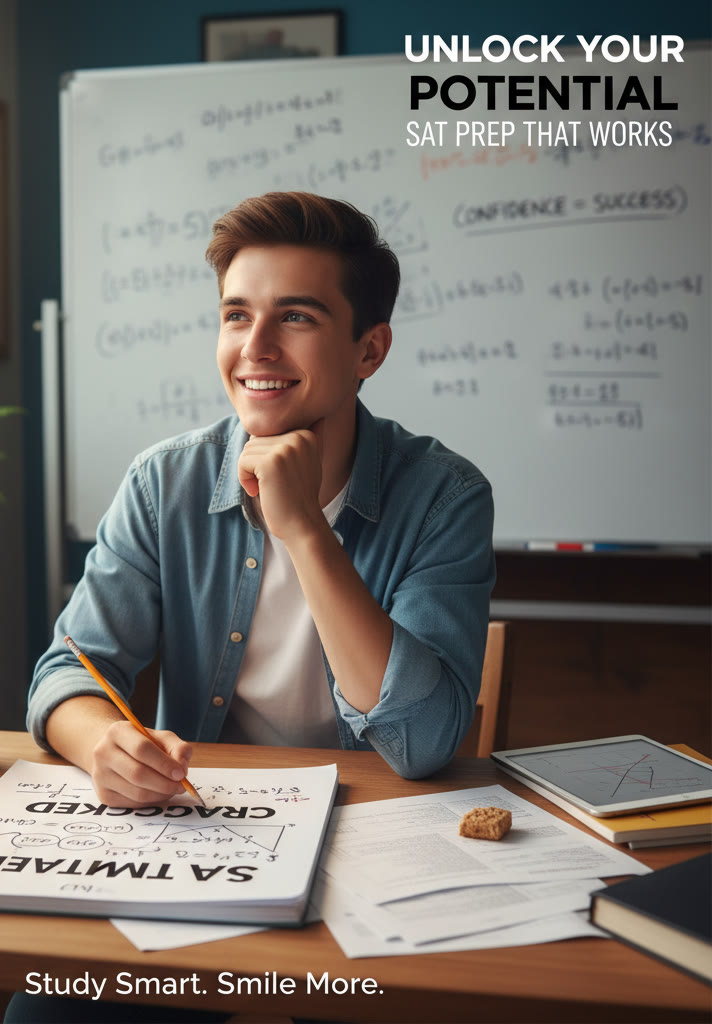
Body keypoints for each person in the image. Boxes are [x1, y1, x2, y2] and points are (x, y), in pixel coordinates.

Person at [27, 191, 495, 811]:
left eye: (296, 317)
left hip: (375, 825)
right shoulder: (163, 483)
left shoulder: (445, 498)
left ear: (370, 350)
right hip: (210, 824)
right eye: (237, 315)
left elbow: (425, 741)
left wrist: (304, 529)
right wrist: (100, 744)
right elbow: (68, 671)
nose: (256, 347)